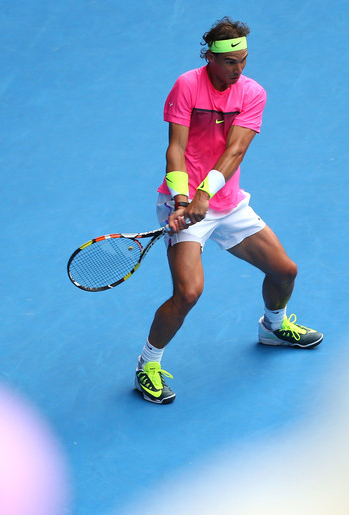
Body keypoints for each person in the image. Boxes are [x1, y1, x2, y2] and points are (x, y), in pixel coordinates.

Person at [134, 17, 323, 405]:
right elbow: (175, 148)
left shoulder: (252, 93)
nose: (239, 69)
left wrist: (207, 193)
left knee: (285, 271)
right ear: (211, 59)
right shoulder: (187, 85)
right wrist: (184, 200)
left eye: (244, 60)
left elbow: (235, 150)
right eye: (231, 62)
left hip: (227, 202)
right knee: (188, 293)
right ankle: (146, 365)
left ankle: (272, 327)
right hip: (182, 201)